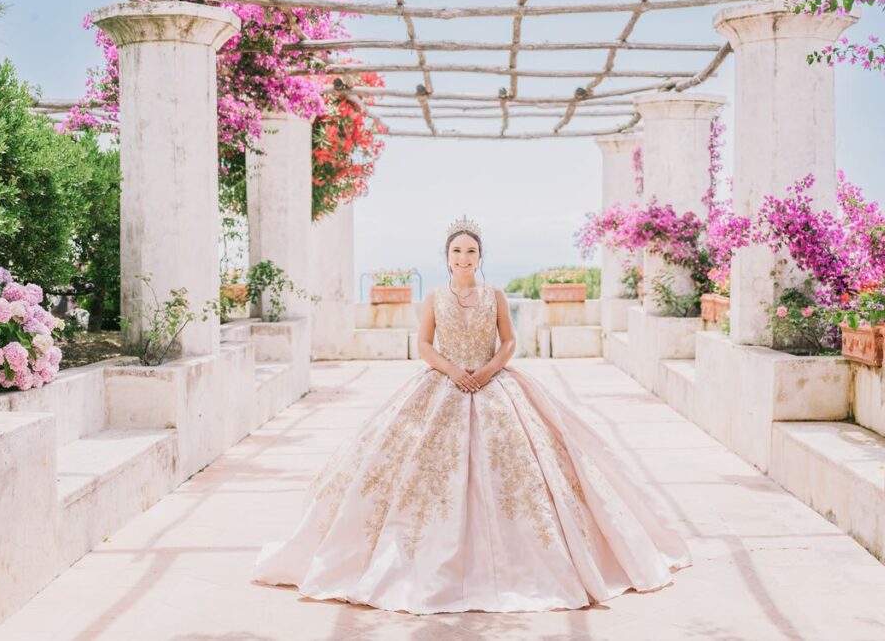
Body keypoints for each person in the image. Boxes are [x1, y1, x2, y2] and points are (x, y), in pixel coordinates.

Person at [252, 215, 692, 614]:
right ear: (446, 257)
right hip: (443, 382)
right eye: (457, 251)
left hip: (493, 382)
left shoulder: (495, 295)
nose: (464, 258)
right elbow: (424, 345)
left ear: (481, 256)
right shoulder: (435, 298)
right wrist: (452, 372)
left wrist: (484, 372)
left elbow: (509, 343)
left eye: (471, 251)